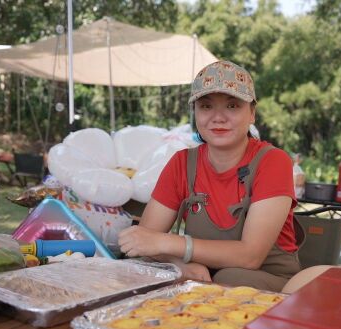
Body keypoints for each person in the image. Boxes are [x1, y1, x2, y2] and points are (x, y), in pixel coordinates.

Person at [118, 60, 301, 291]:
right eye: (206, 106)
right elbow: (144, 242)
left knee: (231, 278)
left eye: (232, 106)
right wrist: (181, 266)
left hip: (267, 281)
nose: (218, 117)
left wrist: (171, 245)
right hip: (200, 280)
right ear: (195, 112)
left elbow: (250, 256)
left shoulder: (272, 161)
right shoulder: (182, 163)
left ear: (252, 113)